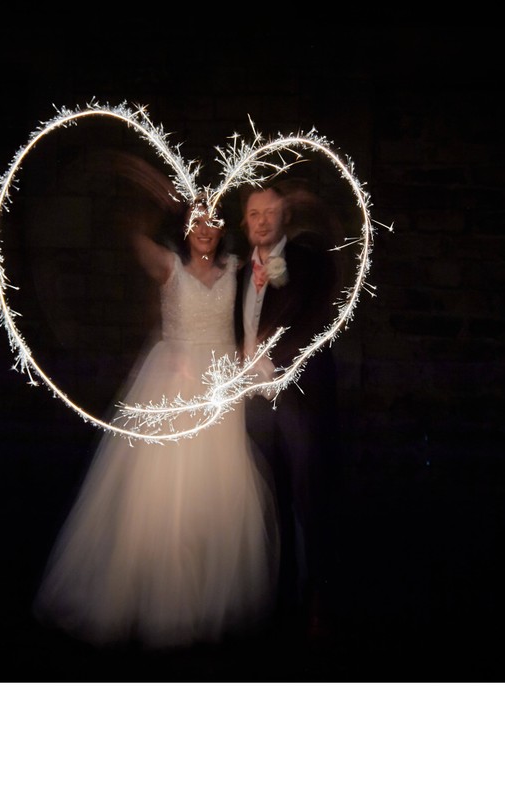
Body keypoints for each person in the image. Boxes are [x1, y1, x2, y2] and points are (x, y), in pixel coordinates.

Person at [32, 198, 278, 649]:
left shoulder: (239, 268)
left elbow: (265, 289)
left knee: (215, 483)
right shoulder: (168, 265)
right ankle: (167, 599)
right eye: (196, 221)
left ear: (223, 229)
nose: (205, 229)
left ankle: (208, 596)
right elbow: (133, 232)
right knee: (168, 489)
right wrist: (156, 191)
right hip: (174, 384)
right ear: (185, 227)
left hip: (219, 388)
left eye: (213, 222)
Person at [234, 181, 341, 637]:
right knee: (268, 498)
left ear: (285, 218)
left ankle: (317, 594)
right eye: (254, 214)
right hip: (255, 405)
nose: (262, 220)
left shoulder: (307, 260)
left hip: (299, 400)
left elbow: (315, 314)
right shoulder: (238, 273)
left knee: (308, 495)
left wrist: (274, 354)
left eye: (270, 212)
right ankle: (277, 595)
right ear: (245, 223)